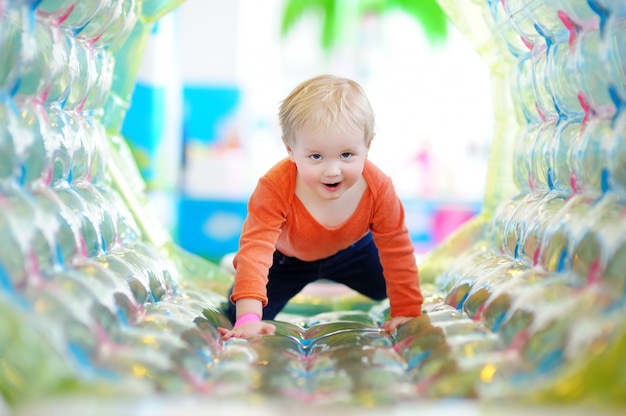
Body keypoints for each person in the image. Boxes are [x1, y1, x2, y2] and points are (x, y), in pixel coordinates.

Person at [218, 74, 423, 340]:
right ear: (290, 149)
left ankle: (335, 277)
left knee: (387, 287)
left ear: (368, 145)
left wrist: (406, 310)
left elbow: (397, 247)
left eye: (346, 155)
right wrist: (248, 318)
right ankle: (234, 272)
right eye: (316, 156)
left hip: (353, 251)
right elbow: (256, 249)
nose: (332, 170)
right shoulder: (275, 186)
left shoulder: (378, 188)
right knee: (240, 313)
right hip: (286, 260)